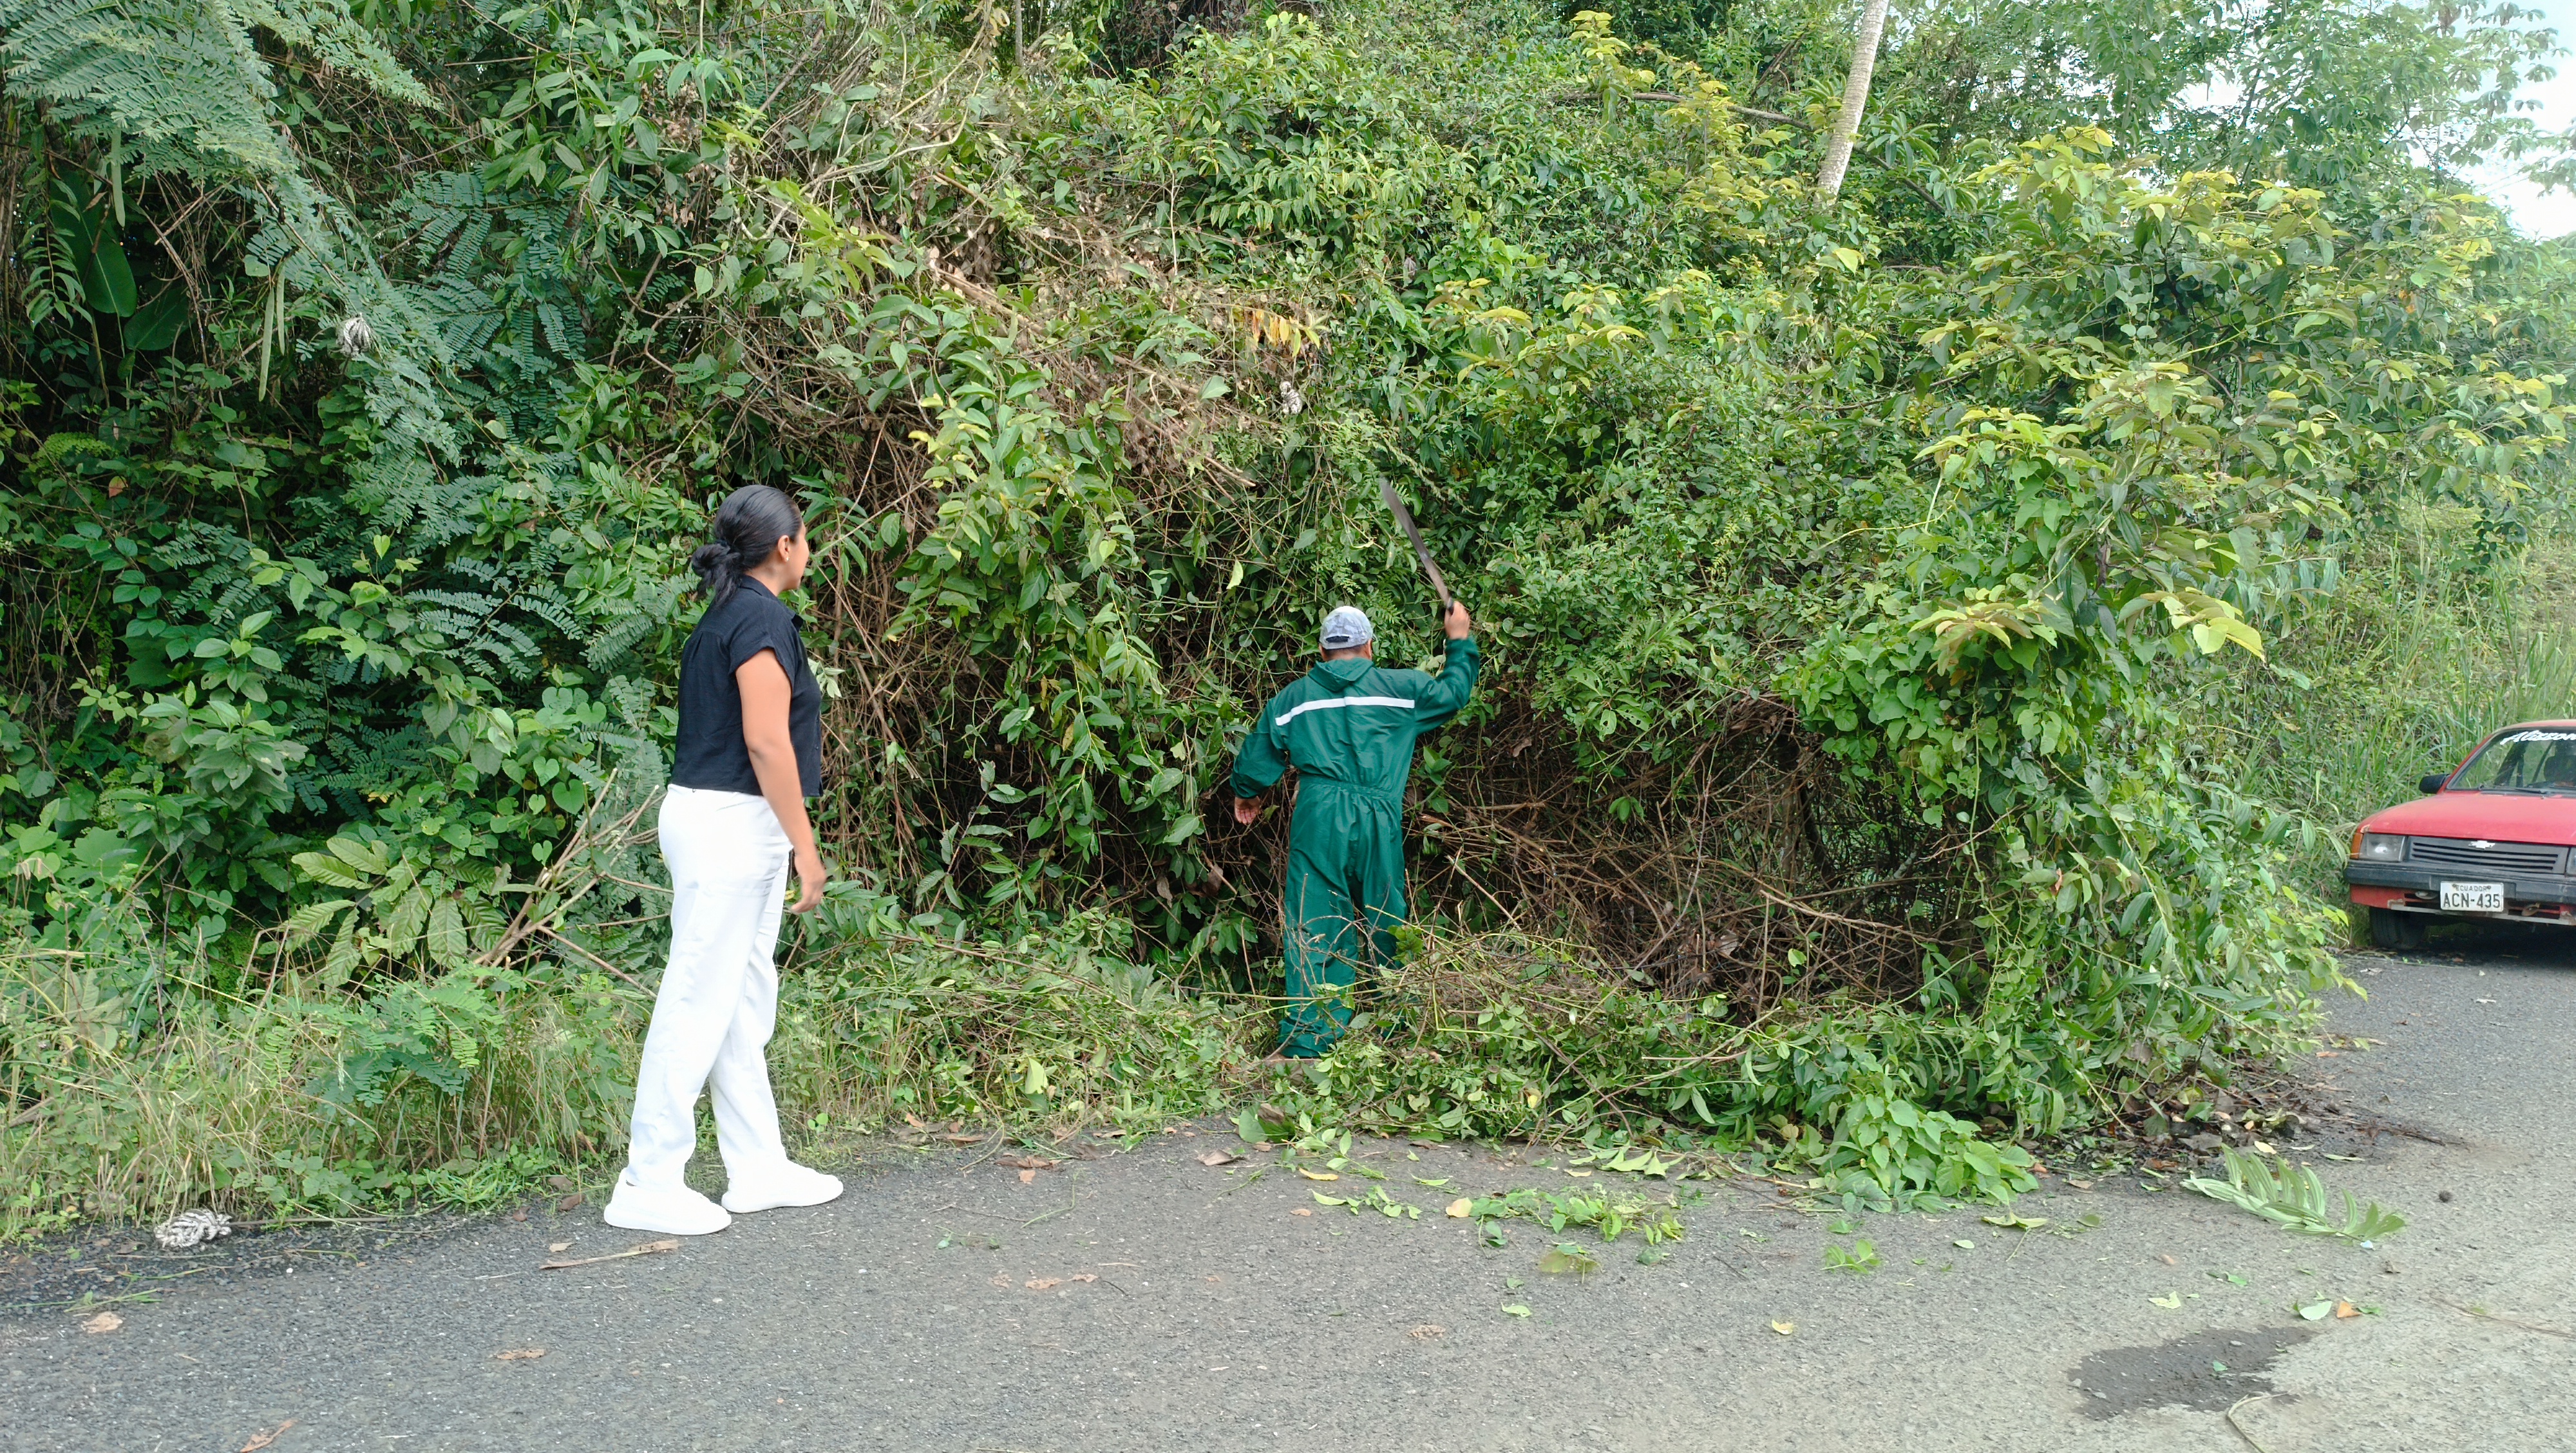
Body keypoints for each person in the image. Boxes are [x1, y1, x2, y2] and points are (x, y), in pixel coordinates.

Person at [605, 484, 846, 1237]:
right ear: (785, 546)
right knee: (699, 999)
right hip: (730, 826)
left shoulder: (732, 612)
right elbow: (766, 741)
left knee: (739, 1001)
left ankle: (758, 1168)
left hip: (725, 821)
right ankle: (648, 1179)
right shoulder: (759, 618)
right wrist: (807, 846)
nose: (811, 552)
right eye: (806, 538)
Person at [1229, 600, 1477, 1058]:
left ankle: (1312, 1039)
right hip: (1379, 814)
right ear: (1369, 647)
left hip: (1319, 816)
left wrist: (1249, 793)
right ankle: (1400, 1031)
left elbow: (1260, 749)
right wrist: (1458, 639)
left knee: (1315, 920)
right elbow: (1453, 694)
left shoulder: (1294, 699)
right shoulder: (1402, 689)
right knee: (1388, 917)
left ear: (1322, 651)